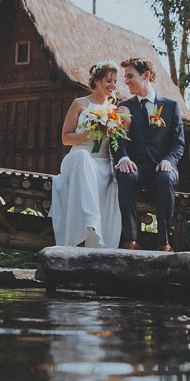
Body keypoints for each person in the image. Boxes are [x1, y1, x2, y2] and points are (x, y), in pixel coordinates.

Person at [49, 62, 127, 248]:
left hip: (103, 162)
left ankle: (100, 242)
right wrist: (88, 135)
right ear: (97, 81)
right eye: (109, 81)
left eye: (115, 82)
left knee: (113, 184)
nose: (113, 85)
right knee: (84, 159)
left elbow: (120, 142)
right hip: (78, 158)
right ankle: (90, 221)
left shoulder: (115, 111)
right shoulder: (79, 104)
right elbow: (65, 138)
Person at [113, 58, 184, 251]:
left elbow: (178, 143)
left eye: (130, 76)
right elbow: (117, 139)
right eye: (125, 77)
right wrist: (123, 158)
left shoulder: (170, 106)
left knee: (165, 178)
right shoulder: (124, 106)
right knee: (125, 175)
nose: (126, 81)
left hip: (161, 167)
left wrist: (168, 161)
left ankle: (164, 242)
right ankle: (131, 239)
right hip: (136, 167)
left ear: (146, 76)